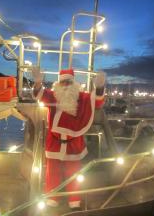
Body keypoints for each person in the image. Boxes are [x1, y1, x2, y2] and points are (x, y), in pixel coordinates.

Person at [32, 67, 106, 209]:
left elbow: (97, 102)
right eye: (63, 82)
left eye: (69, 82)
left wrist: (100, 88)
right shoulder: (53, 96)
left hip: (74, 143)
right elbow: (39, 94)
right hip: (55, 142)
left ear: (74, 83)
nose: (66, 85)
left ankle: (74, 201)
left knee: (74, 174)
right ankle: (52, 199)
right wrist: (37, 83)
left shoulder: (82, 97)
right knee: (52, 173)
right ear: (58, 84)